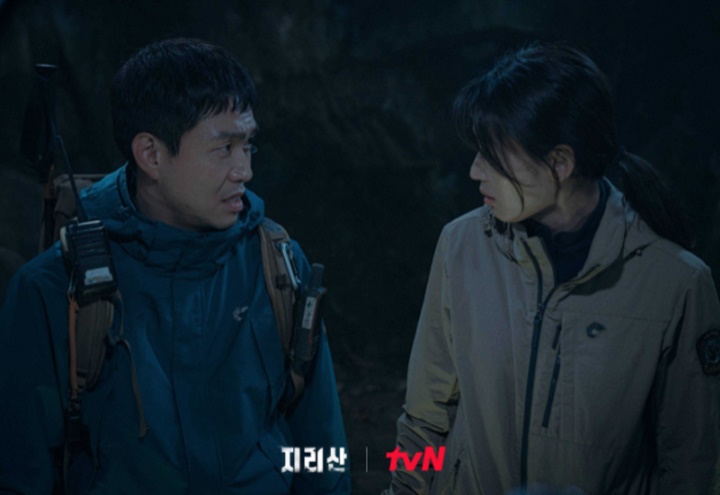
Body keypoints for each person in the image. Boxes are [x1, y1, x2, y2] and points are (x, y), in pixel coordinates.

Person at [0, 38, 350, 494]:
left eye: (247, 146)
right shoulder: (55, 290)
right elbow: (20, 474)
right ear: (151, 155)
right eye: (224, 148)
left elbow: (321, 445)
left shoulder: (280, 267)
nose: (244, 170)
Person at [385, 43, 720, 494]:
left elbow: (692, 465)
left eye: (492, 155)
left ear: (560, 162)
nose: (475, 171)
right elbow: (423, 421)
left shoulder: (676, 284)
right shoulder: (461, 246)